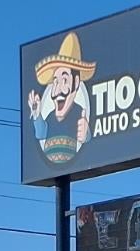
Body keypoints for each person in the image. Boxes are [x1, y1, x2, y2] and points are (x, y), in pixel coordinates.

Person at [27, 33, 95, 167]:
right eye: (55, 81)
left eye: (64, 80)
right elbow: (41, 134)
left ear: (76, 82)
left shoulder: (78, 113)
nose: (57, 90)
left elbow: (87, 139)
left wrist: (86, 135)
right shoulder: (51, 116)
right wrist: (36, 115)